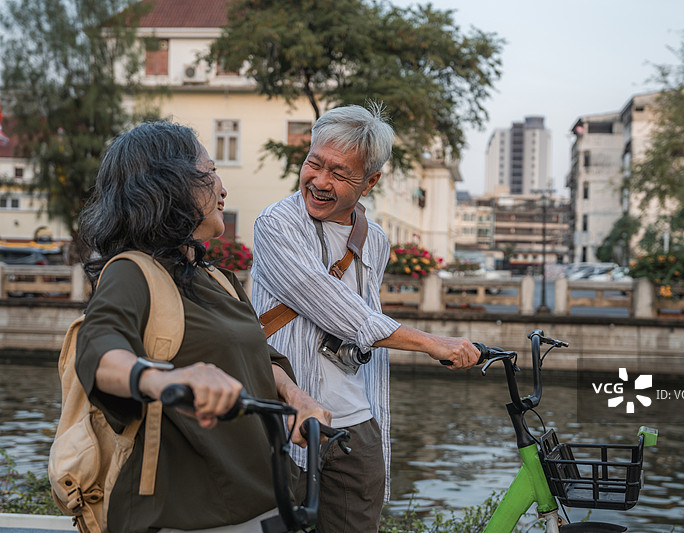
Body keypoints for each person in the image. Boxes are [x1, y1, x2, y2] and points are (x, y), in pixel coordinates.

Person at [75, 120, 328, 533]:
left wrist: (297, 397)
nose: (223, 188)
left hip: (271, 503)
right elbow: (99, 352)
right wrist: (167, 379)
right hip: (188, 518)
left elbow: (264, 361)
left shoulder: (219, 278)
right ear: (171, 184)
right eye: (211, 173)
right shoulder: (132, 273)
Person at [251, 103, 480, 533]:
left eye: (339, 174)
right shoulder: (275, 224)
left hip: (358, 425)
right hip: (287, 423)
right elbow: (339, 310)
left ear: (370, 181)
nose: (319, 181)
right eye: (314, 164)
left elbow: (364, 317)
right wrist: (432, 343)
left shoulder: (374, 240)